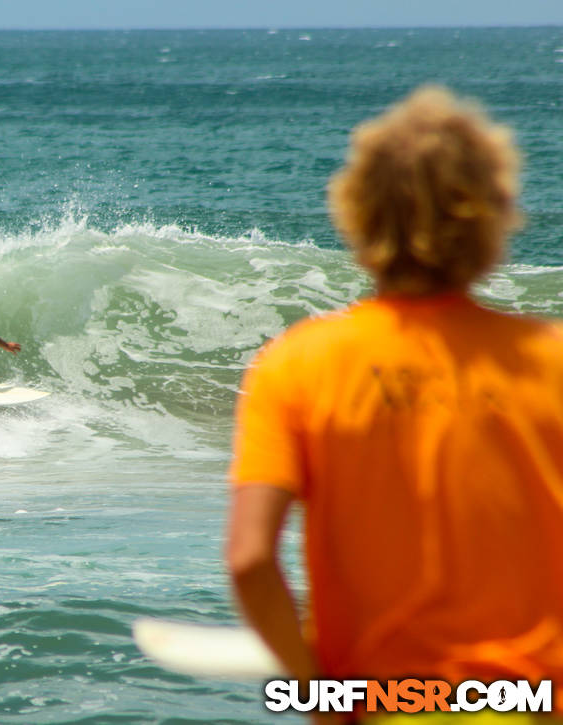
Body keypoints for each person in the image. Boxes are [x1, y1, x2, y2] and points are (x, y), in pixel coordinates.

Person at [226, 85, 563, 718]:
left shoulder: (300, 363)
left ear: (359, 211)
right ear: (493, 211)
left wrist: (313, 689)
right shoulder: (552, 359)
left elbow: (249, 560)